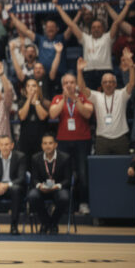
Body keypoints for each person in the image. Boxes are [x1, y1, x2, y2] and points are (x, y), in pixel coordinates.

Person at [56, 0, 131, 90]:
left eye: (99, 27)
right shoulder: (85, 38)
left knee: (108, 95)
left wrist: (126, 5)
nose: (96, 29)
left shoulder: (108, 37)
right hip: (88, 72)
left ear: (103, 29)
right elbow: (71, 24)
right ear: (90, 29)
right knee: (88, 96)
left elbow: (117, 22)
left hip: (106, 70)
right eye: (94, 27)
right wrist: (59, 8)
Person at [49, 73, 94, 216]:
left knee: (83, 173)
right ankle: (65, 204)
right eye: (66, 83)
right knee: (63, 174)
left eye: (72, 82)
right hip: (63, 141)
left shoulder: (83, 97)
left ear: (76, 84)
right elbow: (53, 114)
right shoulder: (57, 98)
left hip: (82, 140)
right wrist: (64, 99)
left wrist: (75, 99)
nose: (69, 85)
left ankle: (83, 203)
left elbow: (87, 114)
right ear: (62, 85)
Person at [78, 50, 135, 155]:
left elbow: (131, 83)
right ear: (101, 85)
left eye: (111, 82)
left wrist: (131, 67)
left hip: (120, 137)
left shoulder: (122, 94)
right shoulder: (96, 96)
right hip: (102, 138)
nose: (108, 84)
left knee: (123, 164)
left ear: (115, 84)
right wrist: (79, 71)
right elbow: (82, 88)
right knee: (101, 164)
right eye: (105, 82)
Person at [28, 133, 72, 234]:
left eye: (50, 143)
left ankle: (53, 223)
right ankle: (46, 222)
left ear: (56, 145)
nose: (47, 146)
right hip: (42, 189)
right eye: (45, 143)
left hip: (58, 189)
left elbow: (68, 179)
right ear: (41, 145)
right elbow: (34, 179)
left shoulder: (65, 158)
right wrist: (40, 186)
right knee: (32, 195)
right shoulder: (35, 158)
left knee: (64, 197)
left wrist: (57, 186)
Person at [0, 135, 28, 235]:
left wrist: (7, 185)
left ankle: (14, 225)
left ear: (12, 145)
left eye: (7, 144)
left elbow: (21, 178)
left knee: (16, 189)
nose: (4, 147)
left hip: (12, 187)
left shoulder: (20, 157)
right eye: (2, 144)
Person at [16, 78, 50, 159]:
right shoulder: (22, 102)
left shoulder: (43, 102)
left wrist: (36, 101)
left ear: (38, 88)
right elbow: (22, 116)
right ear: (25, 89)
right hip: (25, 141)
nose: (31, 88)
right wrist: (29, 99)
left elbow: (42, 117)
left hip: (40, 141)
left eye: (34, 86)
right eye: (28, 86)